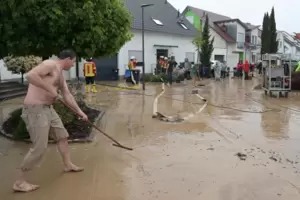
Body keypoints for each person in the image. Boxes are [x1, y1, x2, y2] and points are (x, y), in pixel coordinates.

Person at [12, 49, 88, 193]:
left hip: (48, 109)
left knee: (62, 136)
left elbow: (67, 95)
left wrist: (80, 112)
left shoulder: (60, 75)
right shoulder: (50, 64)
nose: (73, 65)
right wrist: (50, 89)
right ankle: (19, 181)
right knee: (39, 148)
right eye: (74, 61)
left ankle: (67, 164)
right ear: (68, 59)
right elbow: (30, 75)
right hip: (35, 110)